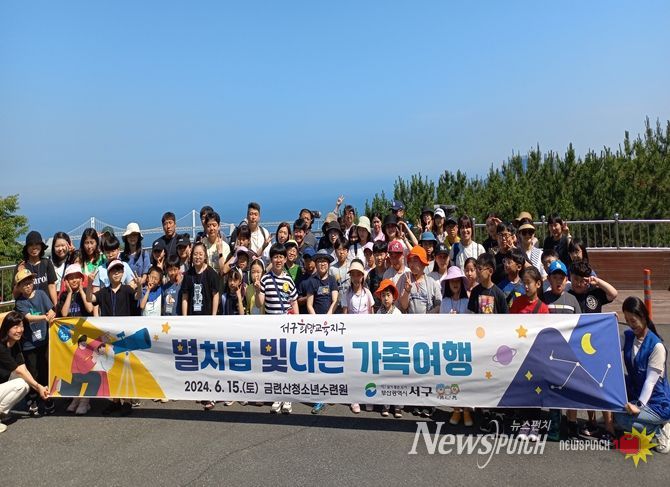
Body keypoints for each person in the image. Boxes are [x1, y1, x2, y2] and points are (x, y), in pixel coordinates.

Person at [615, 296, 670, 453]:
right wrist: (610, 323)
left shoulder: (656, 347)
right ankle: (646, 423)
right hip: (636, 391)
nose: (630, 325)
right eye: (627, 320)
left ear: (644, 317)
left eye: (633, 320)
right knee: (616, 384)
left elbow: (650, 382)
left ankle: (660, 429)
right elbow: (611, 346)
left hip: (657, 403)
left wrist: (638, 406)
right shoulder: (628, 336)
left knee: (621, 418)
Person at [254, 243, 298, 414]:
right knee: (275, 362)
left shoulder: (289, 280)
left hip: (287, 327)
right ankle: (277, 396)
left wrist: (297, 323)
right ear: (271, 259)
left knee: (287, 361)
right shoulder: (265, 279)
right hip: (271, 327)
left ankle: (287, 398)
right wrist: (257, 290)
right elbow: (260, 304)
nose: (278, 260)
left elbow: (293, 302)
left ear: (285, 259)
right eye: (275, 257)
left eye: (281, 257)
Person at [542, 259, 581, 440]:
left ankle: (572, 424)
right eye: (554, 277)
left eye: (561, 278)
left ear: (566, 280)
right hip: (550, 355)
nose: (558, 281)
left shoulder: (572, 300)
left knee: (572, 389)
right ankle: (555, 426)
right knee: (554, 389)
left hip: (570, 354)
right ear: (549, 279)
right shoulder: (544, 299)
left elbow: (581, 325)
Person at [13, 268, 55, 416]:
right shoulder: (20, 302)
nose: (28, 285)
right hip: (28, 343)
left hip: (44, 340)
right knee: (32, 371)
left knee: (44, 370)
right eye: (24, 284)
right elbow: (29, 317)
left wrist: (51, 313)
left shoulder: (42, 294)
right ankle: (32, 399)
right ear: (19, 287)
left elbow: (51, 309)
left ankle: (47, 397)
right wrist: (45, 317)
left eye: (30, 282)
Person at [0, 312, 50, 434]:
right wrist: (39, 387)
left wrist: (38, 387)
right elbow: (18, 370)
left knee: (26, 383)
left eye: (21, 326)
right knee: (21, 383)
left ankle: (1, 413)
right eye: (15, 327)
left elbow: (23, 369)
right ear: (7, 328)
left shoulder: (15, 343)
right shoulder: (1, 346)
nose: (20, 330)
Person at [374, 279, 403, 419]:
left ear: (393, 297)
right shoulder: (378, 313)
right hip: (383, 349)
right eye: (383, 295)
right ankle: (385, 405)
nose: (386, 298)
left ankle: (398, 406)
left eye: (388, 295)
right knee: (385, 379)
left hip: (396, 350)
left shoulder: (398, 313)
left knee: (397, 379)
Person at [13, 230, 58, 306]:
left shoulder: (47, 263)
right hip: (28, 308)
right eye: (31, 245)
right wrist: (20, 275)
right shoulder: (21, 266)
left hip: (46, 307)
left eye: (37, 244)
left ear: (41, 246)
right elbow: (15, 295)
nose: (34, 247)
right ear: (27, 248)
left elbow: (52, 286)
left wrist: (55, 306)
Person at [396, 246, 441, 315]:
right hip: (409, 320)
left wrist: (428, 315)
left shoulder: (432, 282)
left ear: (423, 263)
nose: (411, 264)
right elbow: (404, 306)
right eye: (410, 261)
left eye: (415, 261)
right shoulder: (405, 278)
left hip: (428, 320)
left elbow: (439, 305)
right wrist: (407, 291)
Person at [181, 242, 220, 317]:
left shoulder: (211, 273)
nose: (197, 257)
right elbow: (185, 297)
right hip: (192, 317)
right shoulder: (188, 275)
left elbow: (215, 295)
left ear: (205, 256)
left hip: (207, 317)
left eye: (200, 254)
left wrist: (214, 316)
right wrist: (184, 317)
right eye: (195, 254)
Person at [306, 250, 338, 315]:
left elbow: (335, 301)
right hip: (316, 317)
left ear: (329, 264)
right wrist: (316, 318)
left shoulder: (332, 280)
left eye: (325, 261)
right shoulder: (312, 281)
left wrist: (328, 316)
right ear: (316, 264)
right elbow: (309, 304)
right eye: (319, 261)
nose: (322, 264)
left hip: (330, 316)